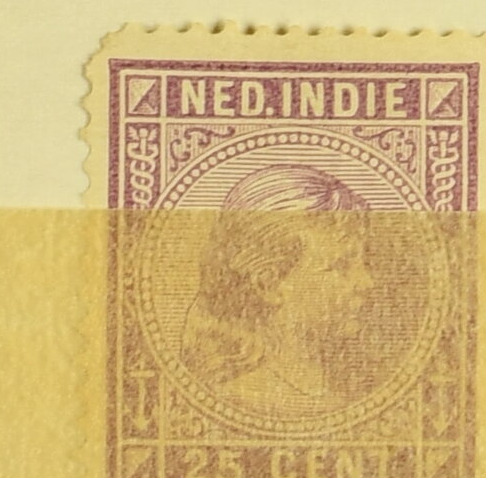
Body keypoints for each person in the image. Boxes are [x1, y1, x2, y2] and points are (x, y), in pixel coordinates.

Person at [170, 160, 428, 424]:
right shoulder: (240, 397)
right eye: (341, 266)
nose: (366, 282)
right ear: (268, 285)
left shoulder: (346, 388)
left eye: (362, 263)